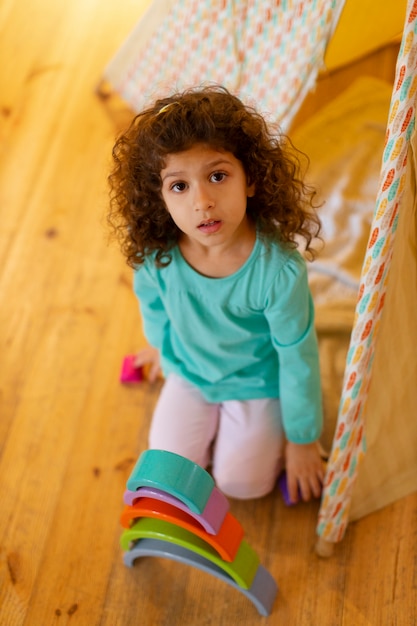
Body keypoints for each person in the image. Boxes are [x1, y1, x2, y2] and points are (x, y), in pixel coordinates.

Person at [108, 85, 324, 504]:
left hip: (256, 382)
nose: (202, 202)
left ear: (252, 180)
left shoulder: (278, 272)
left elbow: (298, 360)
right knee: (169, 471)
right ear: (160, 197)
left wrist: (302, 440)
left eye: (218, 176)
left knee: (244, 485)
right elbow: (152, 304)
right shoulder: (158, 254)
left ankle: (254, 442)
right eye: (179, 186)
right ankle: (217, 439)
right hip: (189, 372)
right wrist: (160, 349)